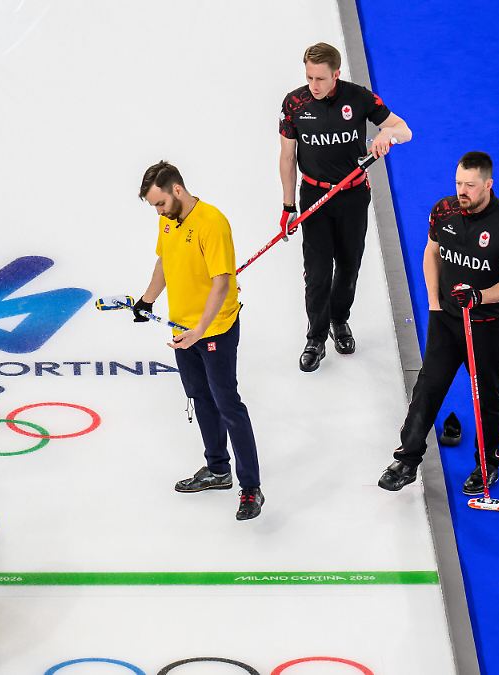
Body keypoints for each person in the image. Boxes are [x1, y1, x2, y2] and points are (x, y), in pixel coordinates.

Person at [379, 152, 499, 494]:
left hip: (488, 324)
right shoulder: (443, 211)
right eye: (459, 183)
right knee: (428, 387)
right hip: (447, 319)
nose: (462, 190)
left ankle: (487, 463)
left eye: (470, 185)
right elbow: (432, 252)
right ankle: (407, 458)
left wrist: (480, 296)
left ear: (488, 185)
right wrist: (434, 302)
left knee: (487, 396)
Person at [134, 161, 264, 520]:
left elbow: (221, 282)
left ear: (177, 190)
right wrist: (147, 300)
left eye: (160, 203)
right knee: (200, 396)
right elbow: (164, 262)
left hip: (215, 330)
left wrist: (201, 329)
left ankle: (250, 488)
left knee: (228, 403)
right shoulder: (168, 220)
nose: (158, 211)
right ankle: (218, 469)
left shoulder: (212, 223)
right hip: (182, 328)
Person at [279, 42, 412, 371]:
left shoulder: (359, 98)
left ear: (336, 74)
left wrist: (387, 137)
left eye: (321, 79)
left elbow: (404, 129)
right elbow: (286, 157)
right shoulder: (294, 104)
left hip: (352, 195)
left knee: (348, 267)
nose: (314, 85)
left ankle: (340, 320)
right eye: (309, 77)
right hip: (314, 196)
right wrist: (287, 206)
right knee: (318, 271)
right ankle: (316, 336)